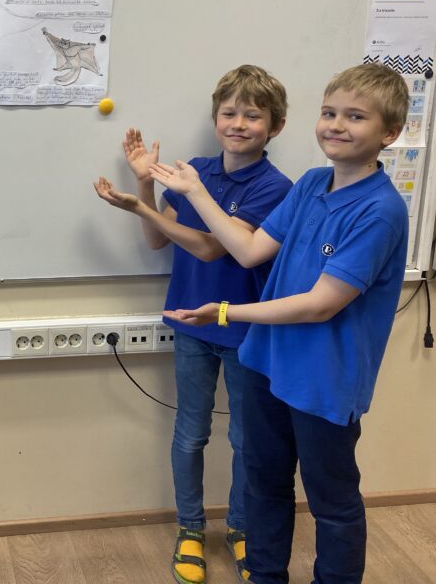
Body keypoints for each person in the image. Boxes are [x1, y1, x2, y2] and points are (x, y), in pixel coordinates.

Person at [154, 63, 409, 584]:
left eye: (355, 117)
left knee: (331, 501)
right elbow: (249, 251)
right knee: (264, 483)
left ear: (389, 132)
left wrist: (225, 312)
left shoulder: (381, 210)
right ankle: (266, 576)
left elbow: (319, 305)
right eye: (329, 113)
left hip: (324, 381)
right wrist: (197, 192)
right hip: (268, 364)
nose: (336, 125)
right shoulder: (312, 184)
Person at [94, 65, 292, 584]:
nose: (239, 123)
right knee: (191, 433)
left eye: (253, 116)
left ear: (275, 126)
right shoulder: (193, 171)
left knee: (248, 441)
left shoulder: (276, 187)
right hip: (190, 325)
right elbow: (159, 240)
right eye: (229, 113)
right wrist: (143, 183)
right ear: (215, 118)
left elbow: (209, 248)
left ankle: (242, 528)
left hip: (246, 330)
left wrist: (141, 206)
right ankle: (190, 528)